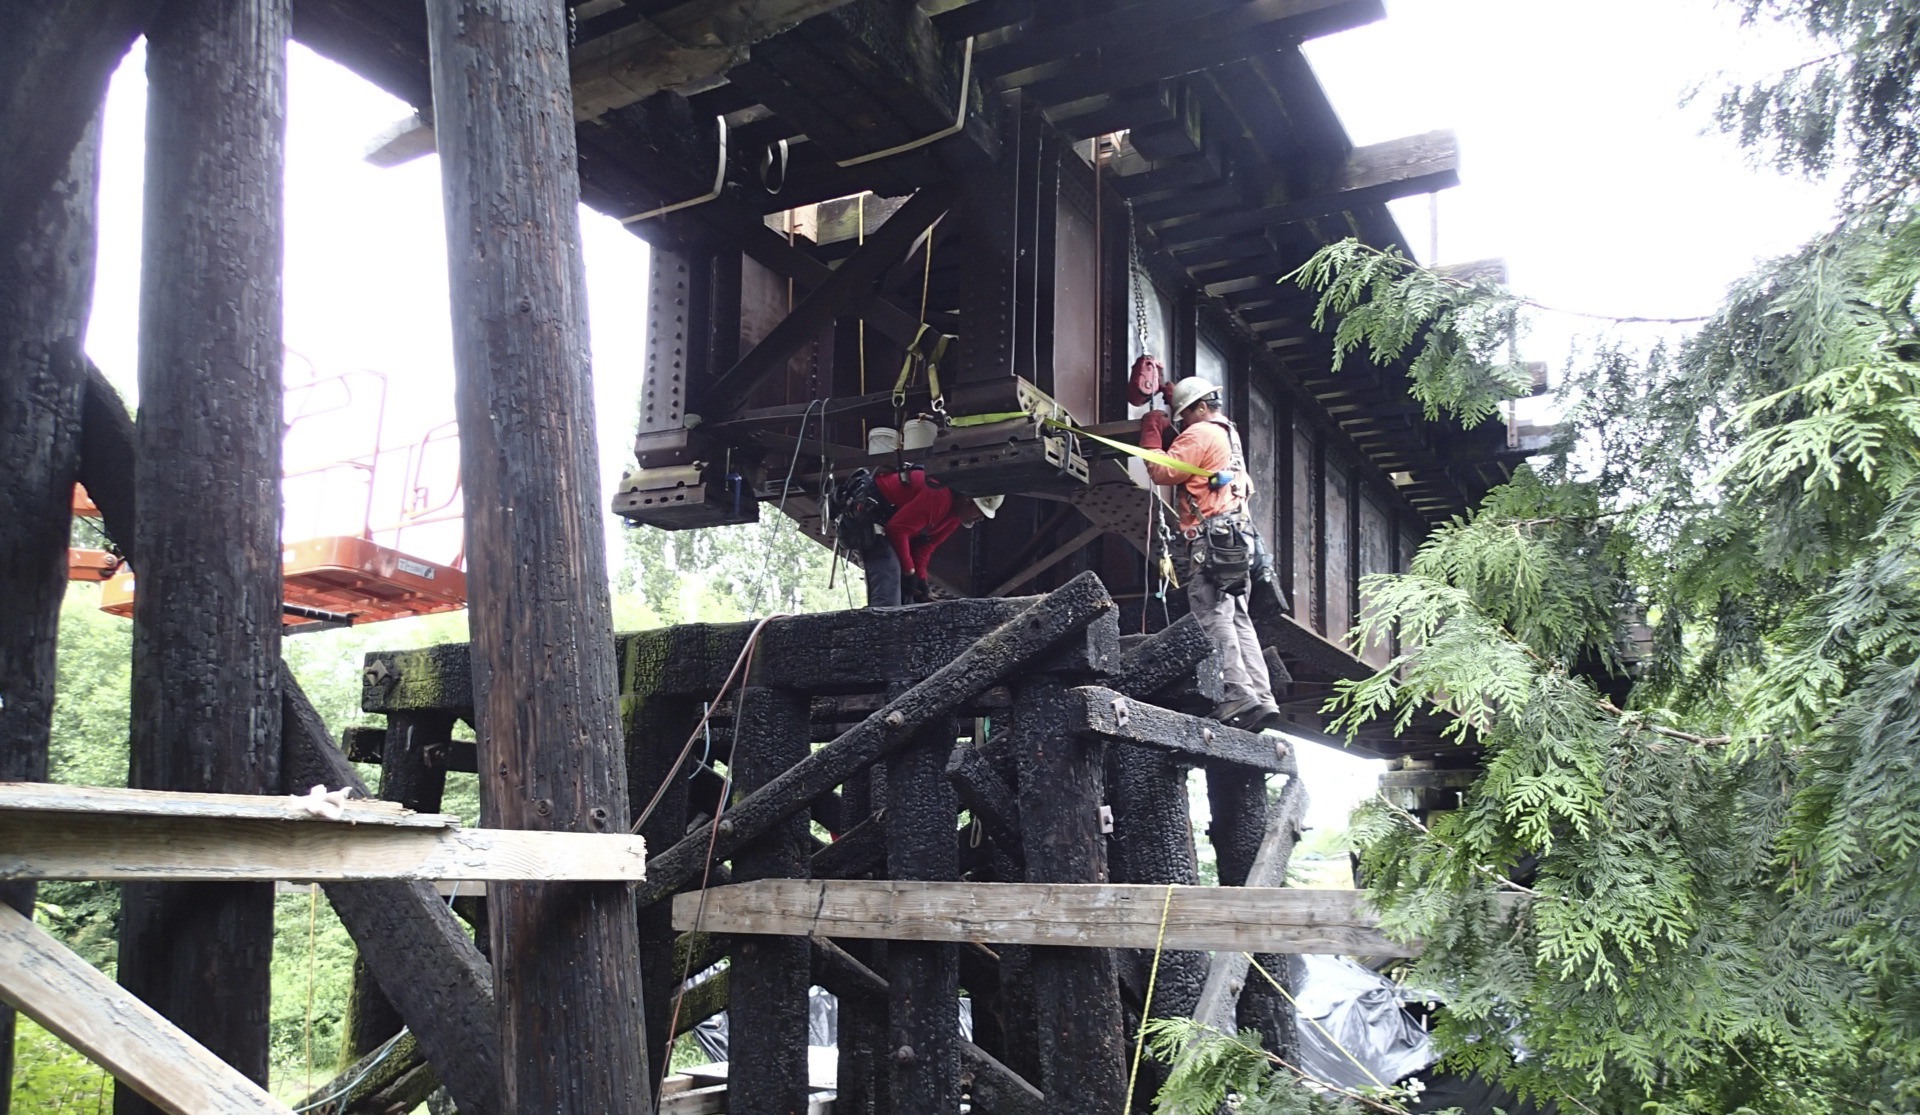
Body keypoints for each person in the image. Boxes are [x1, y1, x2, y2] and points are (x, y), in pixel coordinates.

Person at [1140, 377, 1282, 730]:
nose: (1181, 423)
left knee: (1213, 615)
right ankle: (1261, 698)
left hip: (1212, 540)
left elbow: (1161, 470)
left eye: (1184, 415)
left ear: (1200, 408)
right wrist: (1176, 397)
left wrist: (1152, 433)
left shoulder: (1200, 433)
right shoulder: (1226, 433)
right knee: (1238, 619)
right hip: (1238, 539)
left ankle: (1236, 692)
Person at [857, 466, 1003, 607]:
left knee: (909, 594)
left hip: (890, 524)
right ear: (967, 500)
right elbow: (896, 530)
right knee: (890, 571)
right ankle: (883, 626)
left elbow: (925, 545)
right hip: (871, 515)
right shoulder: (939, 497)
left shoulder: (954, 517)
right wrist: (909, 571)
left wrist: (920, 579)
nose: (981, 519)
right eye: (980, 512)